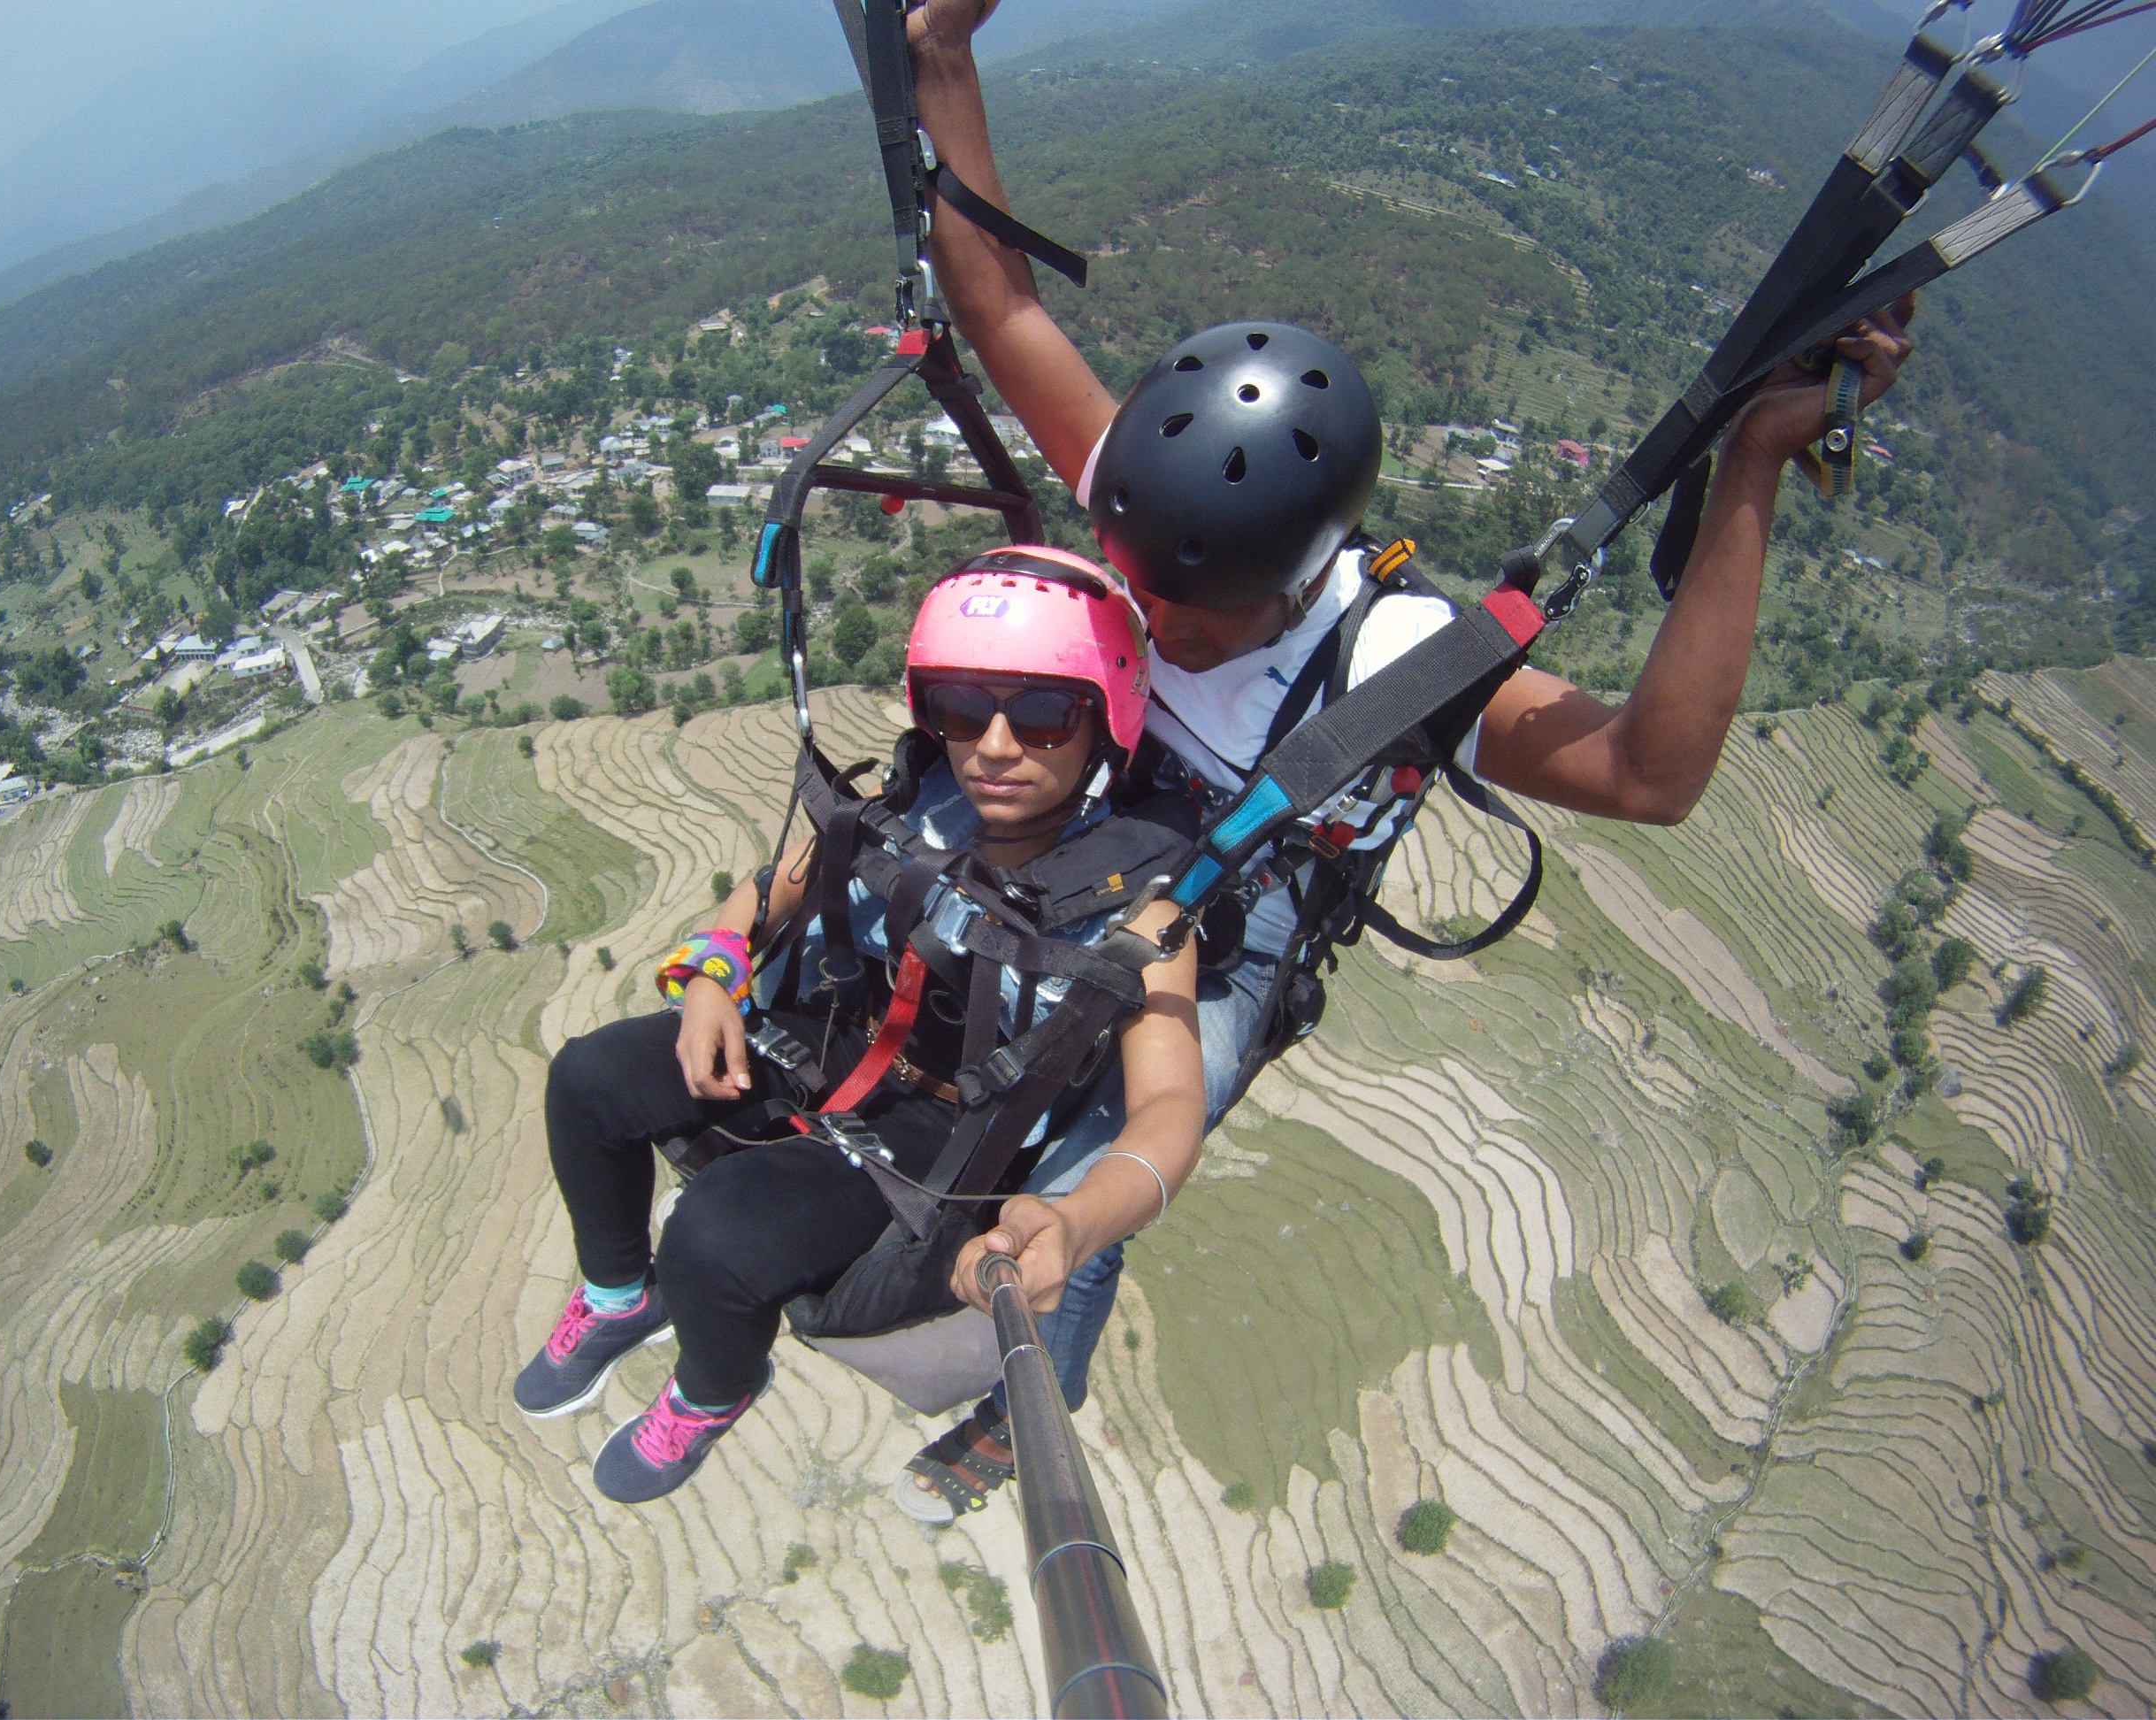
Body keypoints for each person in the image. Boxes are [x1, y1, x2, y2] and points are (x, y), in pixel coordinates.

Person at [889, 0, 1921, 1519]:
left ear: (1289, 576)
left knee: (1090, 1141)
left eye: (1189, 612)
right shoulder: (1155, 495)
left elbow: (1648, 769)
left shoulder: (1402, 663)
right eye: (1140, 584)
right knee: (878, 890)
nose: (1151, 624)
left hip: (1220, 943)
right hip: (1081, 838)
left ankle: (1032, 1365)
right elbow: (1000, 308)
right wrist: (943, 60)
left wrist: (1752, 461)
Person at [513, 546, 1206, 1504]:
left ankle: (712, 1390)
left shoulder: (1144, 914)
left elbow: (1171, 1106)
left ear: (1107, 723)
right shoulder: (915, 803)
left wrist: (1078, 1220)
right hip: (827, 1035)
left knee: (715, 1236)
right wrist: (714, 973)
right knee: (587, 1080)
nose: (995, 746)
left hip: (937, 1131)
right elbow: (768, 893)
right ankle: (617, 1295)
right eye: (965, 708)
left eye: (1045, 713)